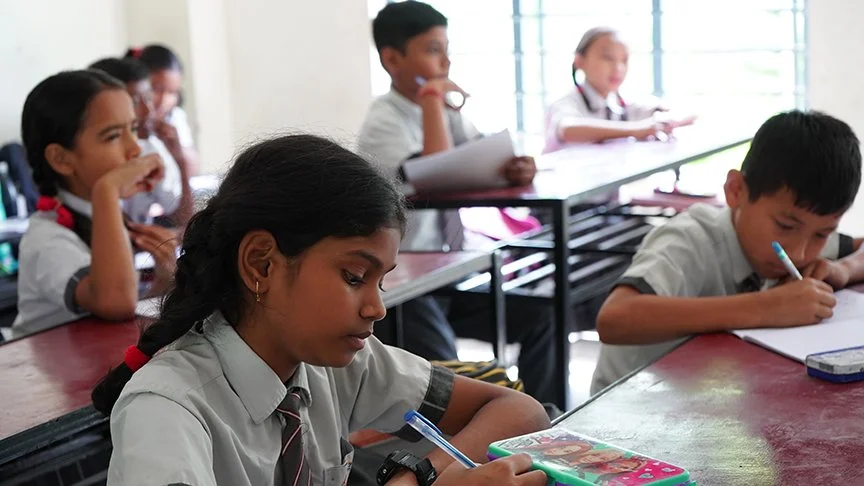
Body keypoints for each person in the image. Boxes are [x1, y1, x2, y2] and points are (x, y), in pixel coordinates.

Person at [92, 134, 551, 485]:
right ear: (261, 263)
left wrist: (418, 476)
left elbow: (519, 409)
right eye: (354, 277)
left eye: (381, 280)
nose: (376, 307)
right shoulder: (167, 411)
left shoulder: (332, 364)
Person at [358, 0, 556, 406]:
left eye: (446, 48)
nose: (445, 61)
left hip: (450, 268)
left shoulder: (446, 113)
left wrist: (512, 167)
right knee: (447, 374)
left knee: (543, 314)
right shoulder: (383, 122)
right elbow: (438, 175)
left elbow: (478, 158)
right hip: (406, 282)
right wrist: (432, 100)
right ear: (392, 59)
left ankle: (547, 423)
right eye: (432, 50)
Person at [592, 110, 864, 394]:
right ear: (736, 191)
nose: (799, 253)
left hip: (713, 400)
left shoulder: (801, 239)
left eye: (822, 234)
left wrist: (843, 269)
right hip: (626, 411)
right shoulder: (690, 238)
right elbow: (615, 318)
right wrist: (766, 307)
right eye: (785, 225)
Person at [12, 70, 174, 337]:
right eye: (112, 136)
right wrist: (107, 190)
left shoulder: (105, 215)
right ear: (62, 159)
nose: (135, 149)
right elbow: (115, 302)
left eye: (132, 129)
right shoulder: (48, 240)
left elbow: (124, 312)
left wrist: (163, 280)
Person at [544, 27, 695, 152]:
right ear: (579, 61)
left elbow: (686, 113)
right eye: (608, 58)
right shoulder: (564, 103)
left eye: (624, 60)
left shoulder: (621, 104)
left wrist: (666, 121)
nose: (618, 68)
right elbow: (568, 129)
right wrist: (636, 130)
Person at [89, 57, 193, 226]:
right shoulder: (93, 159)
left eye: (148, 97)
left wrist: (180, 160)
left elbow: (183, 219)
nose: (148, 110)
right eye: (135, 101)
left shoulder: (149, 149)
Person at [127, 44, 201, 176]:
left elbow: (192, 169)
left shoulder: (175, 116)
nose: (163, 100)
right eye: (157, 89)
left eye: (172, 92)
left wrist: (176, 149)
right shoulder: (126, 118)